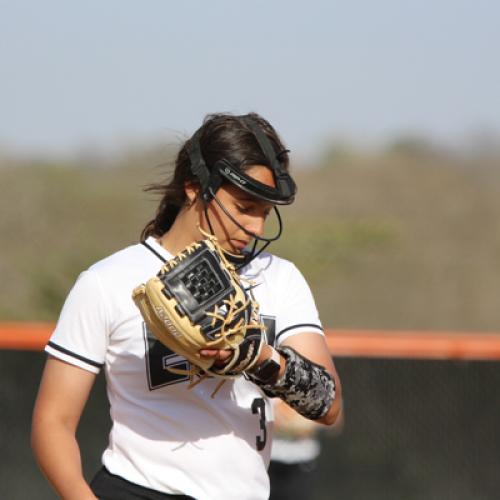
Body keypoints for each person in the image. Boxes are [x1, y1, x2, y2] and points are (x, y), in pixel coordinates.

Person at [31, 112, 343, 500]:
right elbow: (52, 422)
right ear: (196, 188)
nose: (257, 228)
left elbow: (328, 406)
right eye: (244, 207)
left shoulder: (280, 278)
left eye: (264, 213)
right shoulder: (107, 281)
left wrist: (261, 359)